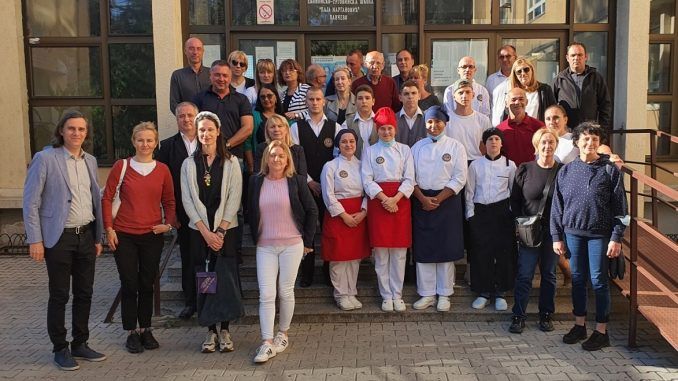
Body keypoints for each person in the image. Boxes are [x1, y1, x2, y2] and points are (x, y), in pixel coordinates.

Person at [23, 110, 107, 370]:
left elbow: (95, 200)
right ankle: (60, 347)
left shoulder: (90, 161)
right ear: (61, 130)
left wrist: (98, 236)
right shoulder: (45, 158)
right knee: (60, 294)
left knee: (85, 293)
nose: (77, 133)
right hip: (59, 238)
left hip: (86, 235)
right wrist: (35, 240)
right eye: (71, 128)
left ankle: (80, 343)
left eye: (81, 129)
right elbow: (31, 201)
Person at [551, 122, 627, 351]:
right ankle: (579, 325)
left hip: (600, 236)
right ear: (577, 142)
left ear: (599, 143)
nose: (590, 143)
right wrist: (557, 236)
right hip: (573, 234)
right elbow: (557, 206)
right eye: (585, 139)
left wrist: (616, 237)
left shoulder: (610, 170)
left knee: (598, 281)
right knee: (577, 280)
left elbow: (621, 209)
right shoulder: (566, 170)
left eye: (595, 139)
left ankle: (601, 331)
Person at [102, 122, 176, 353]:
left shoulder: (163, 169)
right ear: (134, 141)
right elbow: (107, 198)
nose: (145, 144)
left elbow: (170, 201)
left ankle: (145, 328)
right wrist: (109, 229)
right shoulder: (121, 166)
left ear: (156, 143)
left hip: (151, 235)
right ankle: (130, 332)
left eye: (149, 140)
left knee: (147, 283)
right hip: (124, 234)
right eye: (141, 140)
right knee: (129, 283)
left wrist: (168, 224)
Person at [248, 140, 318, 363]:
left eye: (281, 155)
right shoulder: (255, 181)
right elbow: (250, 210)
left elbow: (312, 211)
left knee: (286, 291)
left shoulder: (296, 182)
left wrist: (307, 241)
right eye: (272, 155)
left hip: (292, 244)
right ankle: (267, 342)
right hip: (265, 246)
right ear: (266, 159)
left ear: (287, 159)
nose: (276, 159)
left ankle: (282, 334)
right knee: (266, 294)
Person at [180, 111, 244, 353]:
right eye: (201, 130)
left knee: (226, 279)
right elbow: (187, 199)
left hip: (226, 232)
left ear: (218, 132)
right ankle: (210, 331)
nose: (205, 134)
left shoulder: (231, 163)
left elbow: (234, 197)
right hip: (199, 232)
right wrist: (206, 232)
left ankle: (225, 330)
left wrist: (220, 231)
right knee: (206, 280)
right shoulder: (188, 164)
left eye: (209, 129)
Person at [410, 106, 467, 312]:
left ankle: (444, 293)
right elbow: (410, 177)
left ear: (445, 123)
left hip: (447, 201)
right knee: (424, 249)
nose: (434, 126)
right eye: (430, 122)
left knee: (445, 249)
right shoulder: (416, 147)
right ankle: (426, 294)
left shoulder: (456, 147)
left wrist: (439, 198)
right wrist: (423, 199)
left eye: (438, 122)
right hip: (421, 201)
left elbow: (460, 177)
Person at [508, 128, 562, 334]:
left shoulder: (562, 170)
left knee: (549, 274)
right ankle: (518, 315)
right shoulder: (525, 169)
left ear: (556, 145)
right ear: (536, 146)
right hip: (529, 230)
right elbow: (515, 200)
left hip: (552, 231)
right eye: (543, 143)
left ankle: (546, 315)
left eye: (551, 142)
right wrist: (519, 223)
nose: (547, 146)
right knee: (524, 274)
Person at [361, 107, 415, 312]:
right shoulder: (370, 150)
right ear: (377, 129)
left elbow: (410, 179)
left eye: (390, 128)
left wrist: (396, 198)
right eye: (382, 129)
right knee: (382, 253)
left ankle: (397, 294)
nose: (386, 132)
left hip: (400, 202)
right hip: (379, 203)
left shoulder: (405, 150)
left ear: (395, 129)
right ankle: (386, 295)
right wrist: (385, 198)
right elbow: (367, 179)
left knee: (400, 253)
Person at [290, 86, 343, 287]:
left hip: (328, 188)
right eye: (310, 99)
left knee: (329, 229)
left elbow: (338, 158)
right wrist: (309, 181)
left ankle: (330, 271)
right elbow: (294, 158)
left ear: (324, 102)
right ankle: (307, 272)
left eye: (318, 99)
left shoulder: (335, 127)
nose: (314, 102)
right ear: (306, 102)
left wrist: (326, 183)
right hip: (305, 186)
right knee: (308, 230)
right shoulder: (296, 127)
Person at [465, 128, 516, 311]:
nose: (493, 142)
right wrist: (471, 215)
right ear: (484, 144)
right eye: (489, 140)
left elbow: (513, 191)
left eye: (496, 139)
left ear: (501, 144)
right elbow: (469, 192)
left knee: (502, 253)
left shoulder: (510, 165)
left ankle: (500, 292)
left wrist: (510, 213)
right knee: (481, 253)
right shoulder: (475, 166)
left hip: (502, 213)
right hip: (481, 214)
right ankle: (483, 292)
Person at [157, 102, 199, 320]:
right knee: (189, 258)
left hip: (210, 214)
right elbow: (164, 185)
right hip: (183, 215)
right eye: (181, 116)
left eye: (190, 115)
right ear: (176, 119)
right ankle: (191, 301)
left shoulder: (208, 140)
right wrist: (171, 214)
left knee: (209, 259)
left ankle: (208, 300)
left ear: (197, 116)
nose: (186, 119)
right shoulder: (166, 147)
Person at [320, 129, 370, 311]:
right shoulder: (330, 166)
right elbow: (328, 195)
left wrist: (364, 212)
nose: (348, 145)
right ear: (338, 145)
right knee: (339, 258)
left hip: (358, 215)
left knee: (354, 258)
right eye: (344, 142)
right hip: (339, 217)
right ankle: (341, 294)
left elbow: (368, 191)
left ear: (356, 144)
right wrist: (344, 216)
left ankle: (351, 292)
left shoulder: (363, 165)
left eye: (351, 141)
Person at [193, 60, 254, 160]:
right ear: (210, 76)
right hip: (206, 156)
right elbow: (194, 127)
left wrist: (226, 145)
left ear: (230, 78)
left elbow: (248, 128)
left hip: (234, 156)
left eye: (225, 75)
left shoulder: (241, 99)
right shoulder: (199, 99)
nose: (221, 79)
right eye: (217, 75)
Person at [553, 42, 612, 139]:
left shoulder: (596, 78)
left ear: (586, 57)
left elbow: (605, 107)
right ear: (567, 58)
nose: (576, 58)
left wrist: (602, 132)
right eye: (573, 55)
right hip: (567, 134)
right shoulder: (559, 79)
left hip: (590, 134)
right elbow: (552, 108)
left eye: (580, 55)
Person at [445, 79, 492, 163]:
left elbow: (488, 144)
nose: (464, 96)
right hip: (453, 162)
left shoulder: (483, 119)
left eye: (468, 92)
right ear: (454, 96)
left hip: (477, 163)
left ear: (473, 95)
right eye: (460, 92)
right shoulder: (446, 119)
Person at [497, 87, 545, 166]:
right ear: (506, 103)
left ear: (526, 102)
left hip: (530, 175)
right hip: (507, 175)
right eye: (513, 99)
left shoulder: (539, 127)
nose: (517, 102)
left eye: (521, 99)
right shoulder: (499, 130)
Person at [245, 84, 283, 174]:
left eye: (269, 96)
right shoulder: (254, 116)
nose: (266, 99)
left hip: (280, 164)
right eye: (262, 97)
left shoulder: (283, 118)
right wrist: (251, 165)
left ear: (276, 98)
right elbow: (247, 142)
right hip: (260, 165)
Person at [169, 37, 211, 114]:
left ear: (203, 52)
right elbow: (174, 104)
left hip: (209, 122)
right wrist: (186, 117)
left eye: (198, 49)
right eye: (191, 48)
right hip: (188, 123)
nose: (195, 52)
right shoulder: (177, 75)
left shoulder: (212, 73)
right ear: (185, 51)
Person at [342, 84, 377, 159]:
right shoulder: (347, 123)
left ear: (373, 101)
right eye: (360, 98)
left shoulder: (380, 122)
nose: (364, 101)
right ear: (355, 101)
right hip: (354, 167)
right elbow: (340, 149)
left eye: (367, 98)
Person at [396, 80, 426, 147]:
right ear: (400, 97)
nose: (410, 97)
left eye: (413, 93)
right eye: (406, 94)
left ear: (419, 96)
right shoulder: (393, 119)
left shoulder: (427, 119)